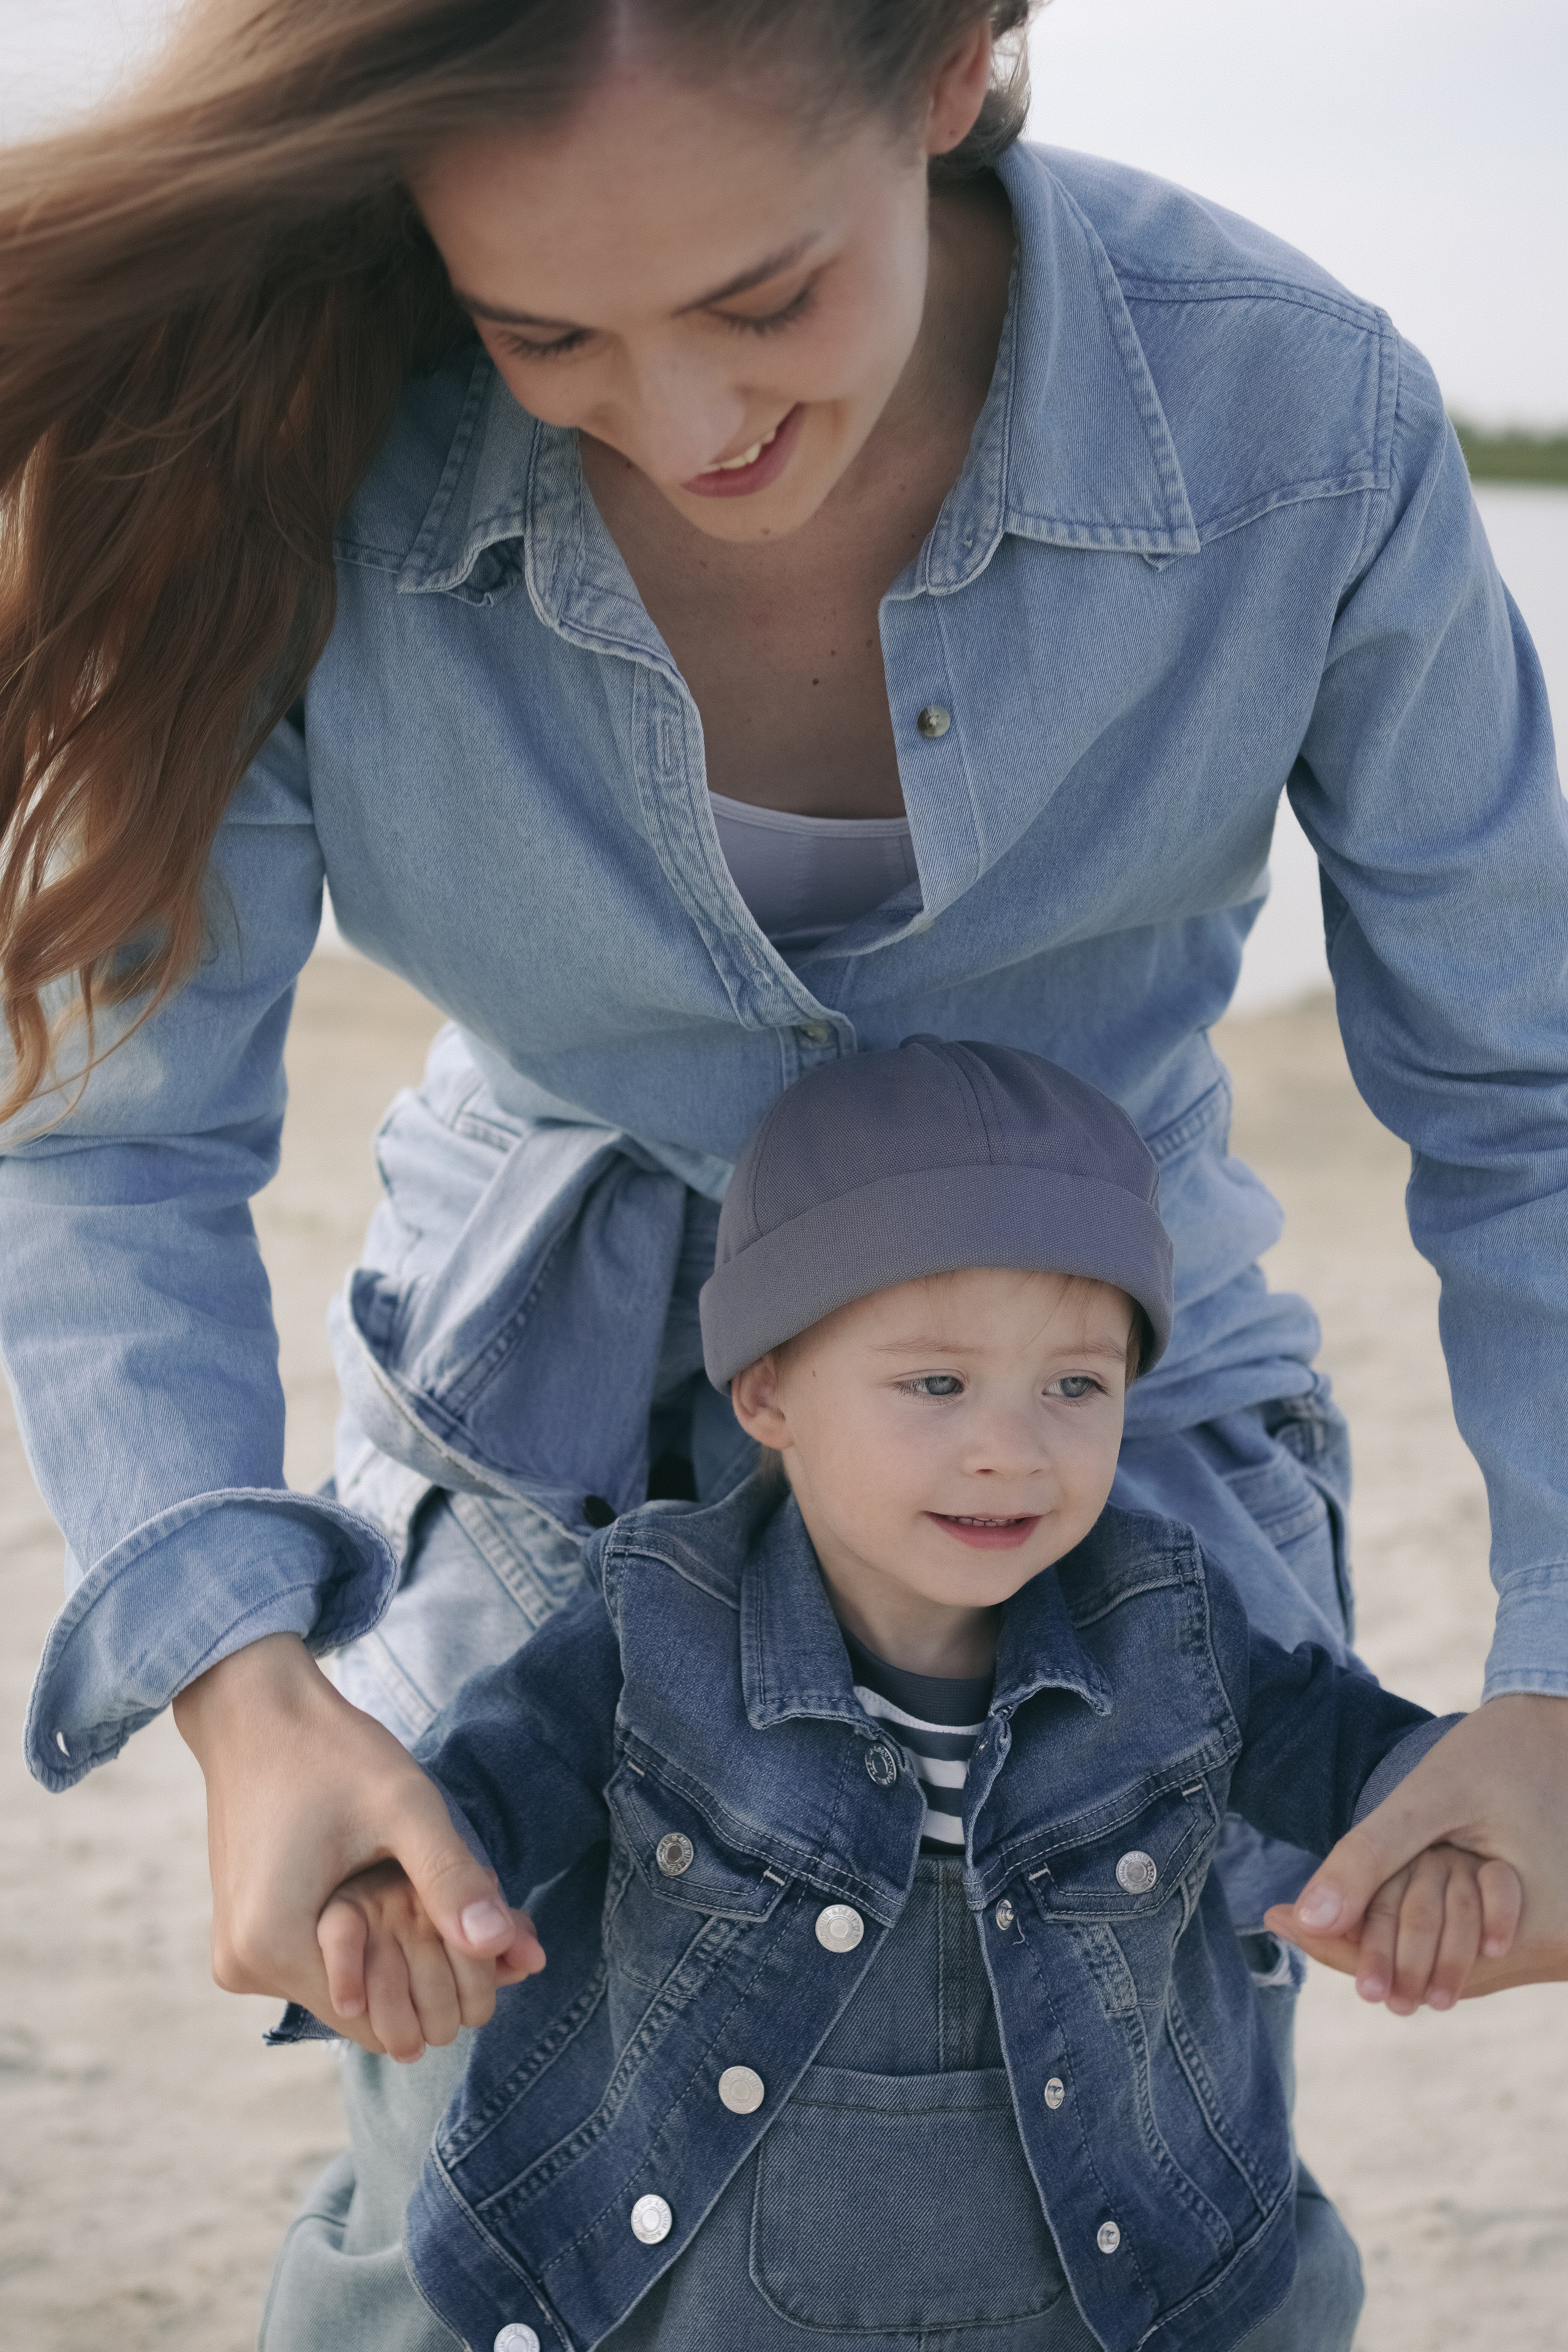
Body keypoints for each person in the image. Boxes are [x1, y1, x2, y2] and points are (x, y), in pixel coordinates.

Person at [1, 1, 1565, 2344]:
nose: (693, 421)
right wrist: (243, 1695)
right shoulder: (290, 443)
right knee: (478, 2229)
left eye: (764, 298)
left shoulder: (1299, 424)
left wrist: (1554, 1690)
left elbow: (1527, 1100)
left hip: (1110, 1443)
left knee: (1122, 2207)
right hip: (528, 1440)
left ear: (953, 66)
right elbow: (109, 1145)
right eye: (542, 329)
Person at [291, 1039, 1527, 2352]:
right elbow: (476, 1792)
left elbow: (1361, 1760)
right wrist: (393, 1897)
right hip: (702, 2291)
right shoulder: (650, 1615)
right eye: (934, 1383)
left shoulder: (1166, 1619)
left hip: (1079, 2287)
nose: (1009, 1446)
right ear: (767, 1389)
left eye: (1074, 1386)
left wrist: (1432, 1847)